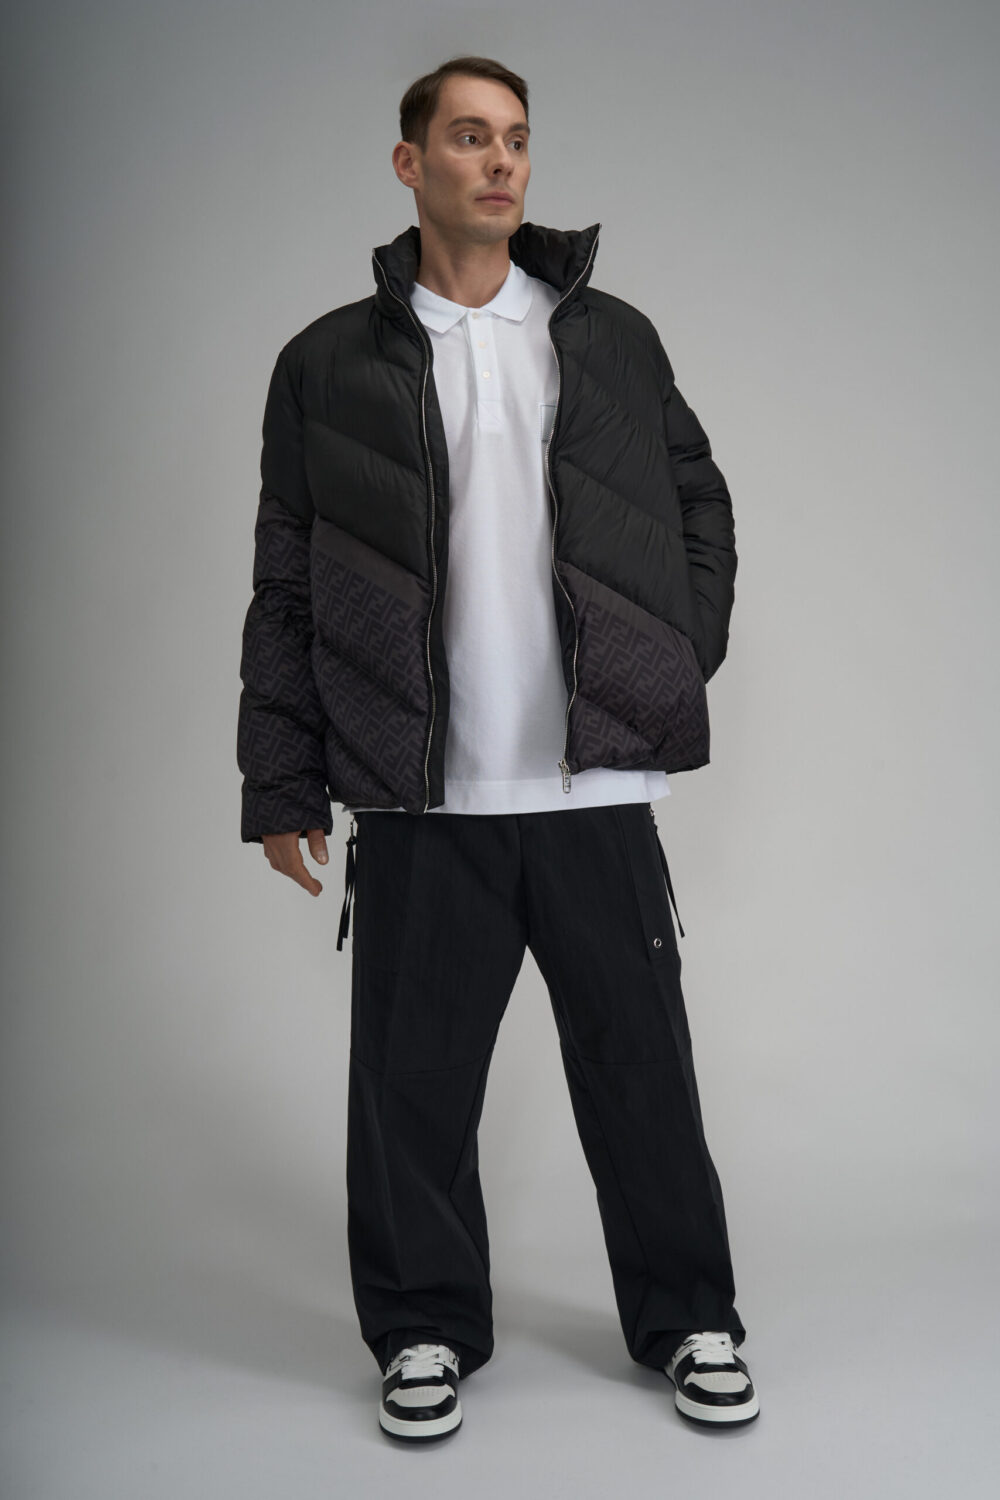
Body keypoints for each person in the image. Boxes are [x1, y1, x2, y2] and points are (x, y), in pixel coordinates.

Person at [237, 54, 758, 1440]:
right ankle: (421, 1328)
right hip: (422, 793)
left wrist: (668, 656)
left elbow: (698, 506)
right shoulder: (326, 364)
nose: (501, 161)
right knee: (410, 1089)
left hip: (596, 784)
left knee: (643, 1074)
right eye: (469, 137)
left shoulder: (609, 338)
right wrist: (282, 778)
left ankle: (691, 1317)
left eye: (516, 138)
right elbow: (286, 581)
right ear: (410, 164)